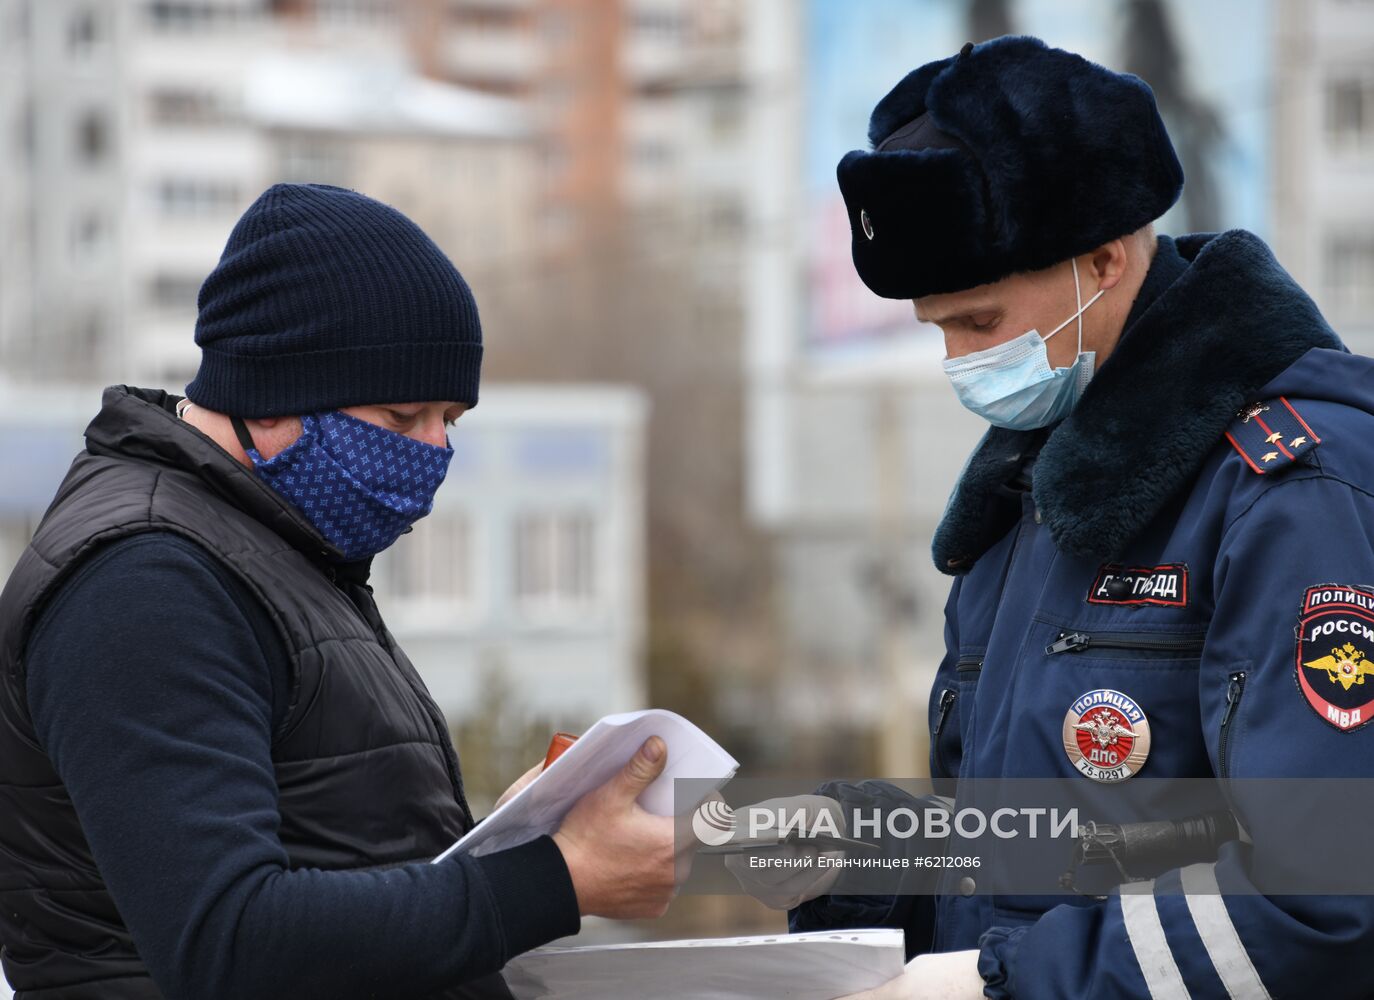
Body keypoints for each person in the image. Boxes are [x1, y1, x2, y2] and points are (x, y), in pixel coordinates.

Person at [729, 35, 1374, 998]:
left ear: (1104, 261)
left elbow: (1321, 896)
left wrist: (1001, 984)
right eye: (937, 327)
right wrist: (829, 852)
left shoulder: (1289, 485)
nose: (957, 361)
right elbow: (1042, 847)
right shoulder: (1037, 481)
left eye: (979, 322)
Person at [0, 183, 686, 1000]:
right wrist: (553, 881)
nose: (432, 453)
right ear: (271, 392)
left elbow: (332, 853)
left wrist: (510, 843)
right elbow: (229, 939)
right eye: (402, 418)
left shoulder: (275, 548)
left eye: (450, 420)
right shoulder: (145, 582)